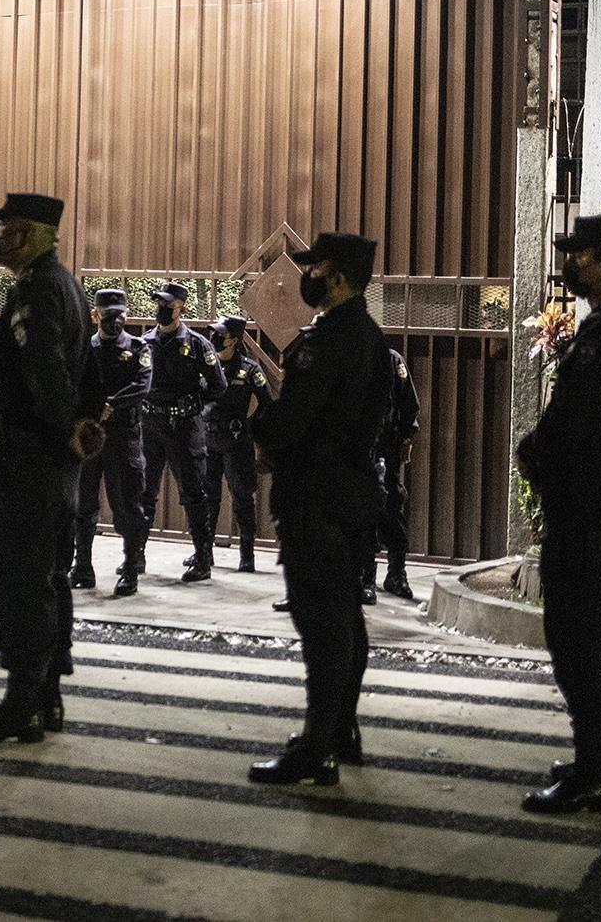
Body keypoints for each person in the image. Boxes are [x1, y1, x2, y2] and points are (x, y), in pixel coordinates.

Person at [513, 209, 601, 814]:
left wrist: (533, 454)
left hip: (585, 500)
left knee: (574, 636)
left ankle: (595, 766)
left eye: (582, 253)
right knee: (599, 634)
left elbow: (576, 421)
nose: (572, 262)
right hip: (598, 496)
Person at [248, 232, 393, 786]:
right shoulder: (373, 339)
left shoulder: (327, 341)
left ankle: (318, 745)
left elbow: (293, 418)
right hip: (354, 494)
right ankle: (341, 730)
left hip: (316, 496)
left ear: (334, 276)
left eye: (315, 269)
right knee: (346, 620)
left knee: (322, 624)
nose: (305, 277)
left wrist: (261, 429)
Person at [0, 192, 100, 744]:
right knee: (48, 575)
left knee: (19, 577)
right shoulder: (64, 285)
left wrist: (64, 426)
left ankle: (22, 703)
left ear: (36, 234)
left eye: (10, 228)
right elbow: (86, 374)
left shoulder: (38, 290)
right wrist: (79, 426)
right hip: (47, 461)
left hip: (26, 461)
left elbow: (48, 371)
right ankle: (46, 697)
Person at [137, 281, 228, 591]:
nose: (161, 310)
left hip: (183, 428)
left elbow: (218, 386)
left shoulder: (199, 344)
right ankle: (136, 555)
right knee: (144, 493)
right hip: (150, 426)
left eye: (168, 305)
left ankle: (203, 558)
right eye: (159, 304)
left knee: (193, 494)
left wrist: (196, 407)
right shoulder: (145, 341)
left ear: (181, 308)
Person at [73, 289, 152, 592]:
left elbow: (142, 385)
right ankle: (82, 567)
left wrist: (111, 405)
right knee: (84, 506)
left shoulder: (138, 347)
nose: (115, 321)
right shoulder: (84, 348)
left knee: (128, 507)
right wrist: (95, 409)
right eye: (108, 315)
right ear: (95, 316)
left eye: (120, 315)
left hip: (123, 439)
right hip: (90, 439)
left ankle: (130, 569)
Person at [208, 315, 275, 573]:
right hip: (209, 439)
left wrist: (249, 425)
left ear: (234, 340)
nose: (215, 338)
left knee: (242, 498)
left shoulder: (249, 370)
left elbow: (267, 404)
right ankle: (204, 551)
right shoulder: (208, 365)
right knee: (207, 498)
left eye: (220, 334)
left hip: (236, 441)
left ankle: (247, 555)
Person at [366, 346, 421, 602]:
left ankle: (396, 574)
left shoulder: (390, 359)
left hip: (385, 446)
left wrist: (407, 437)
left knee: (391, 507)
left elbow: (409, 402)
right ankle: (365, 576)